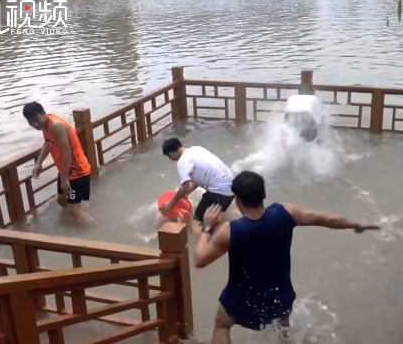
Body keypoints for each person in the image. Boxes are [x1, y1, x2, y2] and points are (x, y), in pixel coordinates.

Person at [194, 170, 381, 344]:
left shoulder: (230, 231)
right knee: (282, 327)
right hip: (281, 295)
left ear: (237, 199)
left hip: (243, 300)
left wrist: (208, 227)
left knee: (222, 325)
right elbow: (322, 218)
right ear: (264, 194)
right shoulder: (285, 214)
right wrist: (355, 224)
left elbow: (200, 260)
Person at [22, 101, 94, 224]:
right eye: (30, 122)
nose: (34, 124)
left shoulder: (55, 126)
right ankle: (77, 218)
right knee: (61, 200)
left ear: (43, 113)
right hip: (66, 170)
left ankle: (92, 227)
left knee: (73, 210)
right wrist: (39, 163)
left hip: (77, 172)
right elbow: (48, 143)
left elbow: (67, 152)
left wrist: (65, 179)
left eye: (36, 119)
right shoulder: (45, 125)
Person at [159, 138, 234, 233]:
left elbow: (184, 187)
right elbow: (200, 177)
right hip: (231, 187)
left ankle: (206, 244)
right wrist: (187, 193)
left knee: (196, 221)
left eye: (169, 156)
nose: (171, 159)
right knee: (214, 218)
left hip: (220, 192)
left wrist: (170, 205)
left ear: (171, 153)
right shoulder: (197, 149)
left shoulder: (183, 162)